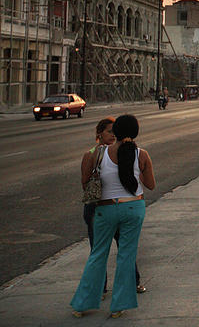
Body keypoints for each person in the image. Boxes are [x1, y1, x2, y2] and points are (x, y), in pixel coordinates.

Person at [71, 114, 155, 319]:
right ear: (135, 133)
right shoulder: (141, 154)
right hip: (133, 208)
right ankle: (119, 306)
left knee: (97, 254)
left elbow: (85, 182)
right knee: (126, 256)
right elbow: (150, 185)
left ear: (115, 132)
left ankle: (82, 304)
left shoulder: (99, 153)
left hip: (105, 209)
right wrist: (134, 172)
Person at [80, 118, 144, 298]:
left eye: (114, 132)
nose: (113, 135)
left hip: (119, 206)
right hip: (98, 208)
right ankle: (100, 288)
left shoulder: (123, 152)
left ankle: (134, 281)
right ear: (99, 133)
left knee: (125, 247)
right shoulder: (92, 154)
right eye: (109, 132)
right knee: (99, 250)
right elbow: (85, 183)